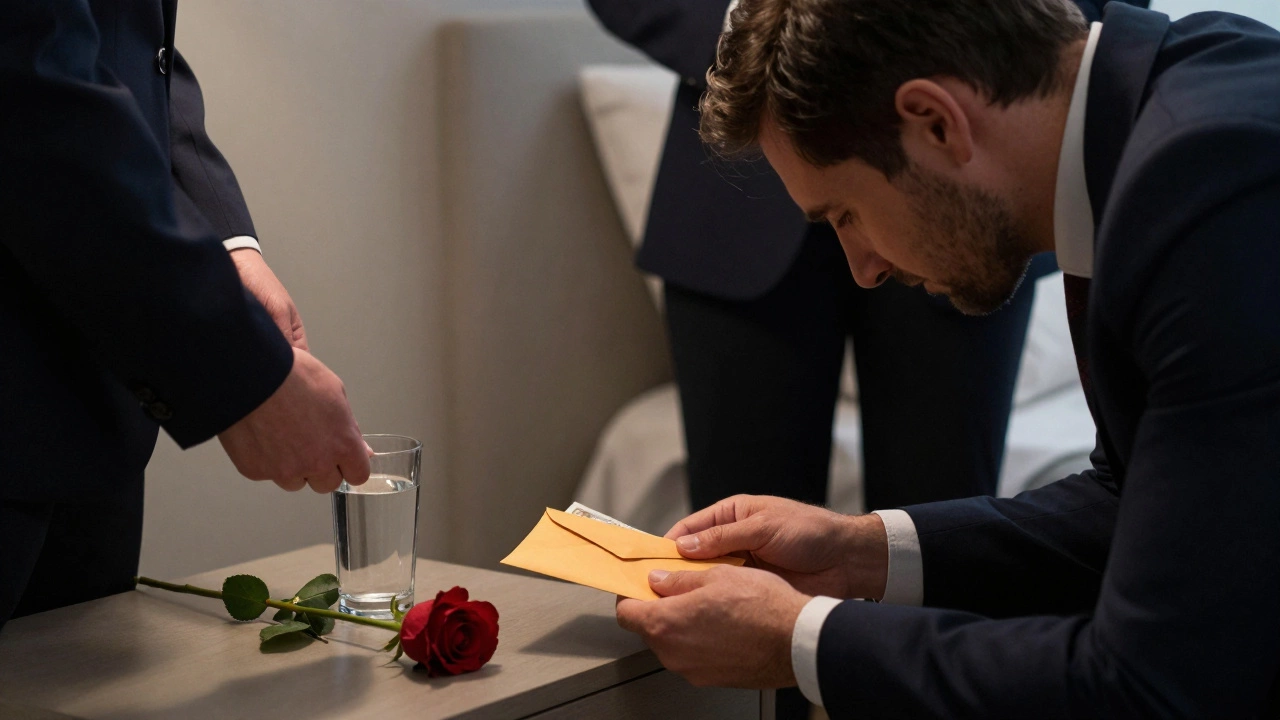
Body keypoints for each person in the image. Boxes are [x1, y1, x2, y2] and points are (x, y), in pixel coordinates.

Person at [615, 0, 1280, 715]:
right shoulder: (1174, 101)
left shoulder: (1218, 187)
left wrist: (801, 638)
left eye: (845, 214)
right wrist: (859, 551)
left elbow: (1150, 686)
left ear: (935, 122)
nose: (863, 269)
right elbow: (1135, 501)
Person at [584, 0, 1135, 518]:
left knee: (944, 516)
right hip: (738, 206)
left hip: (953, 144)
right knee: (740, 537)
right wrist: (760, 43)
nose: (867, 265)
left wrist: (997, 41)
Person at [0, 1, 370, 629]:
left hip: (102, 420)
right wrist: (241, 373)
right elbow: (33, 88)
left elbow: (125, 50)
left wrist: (230, 245)